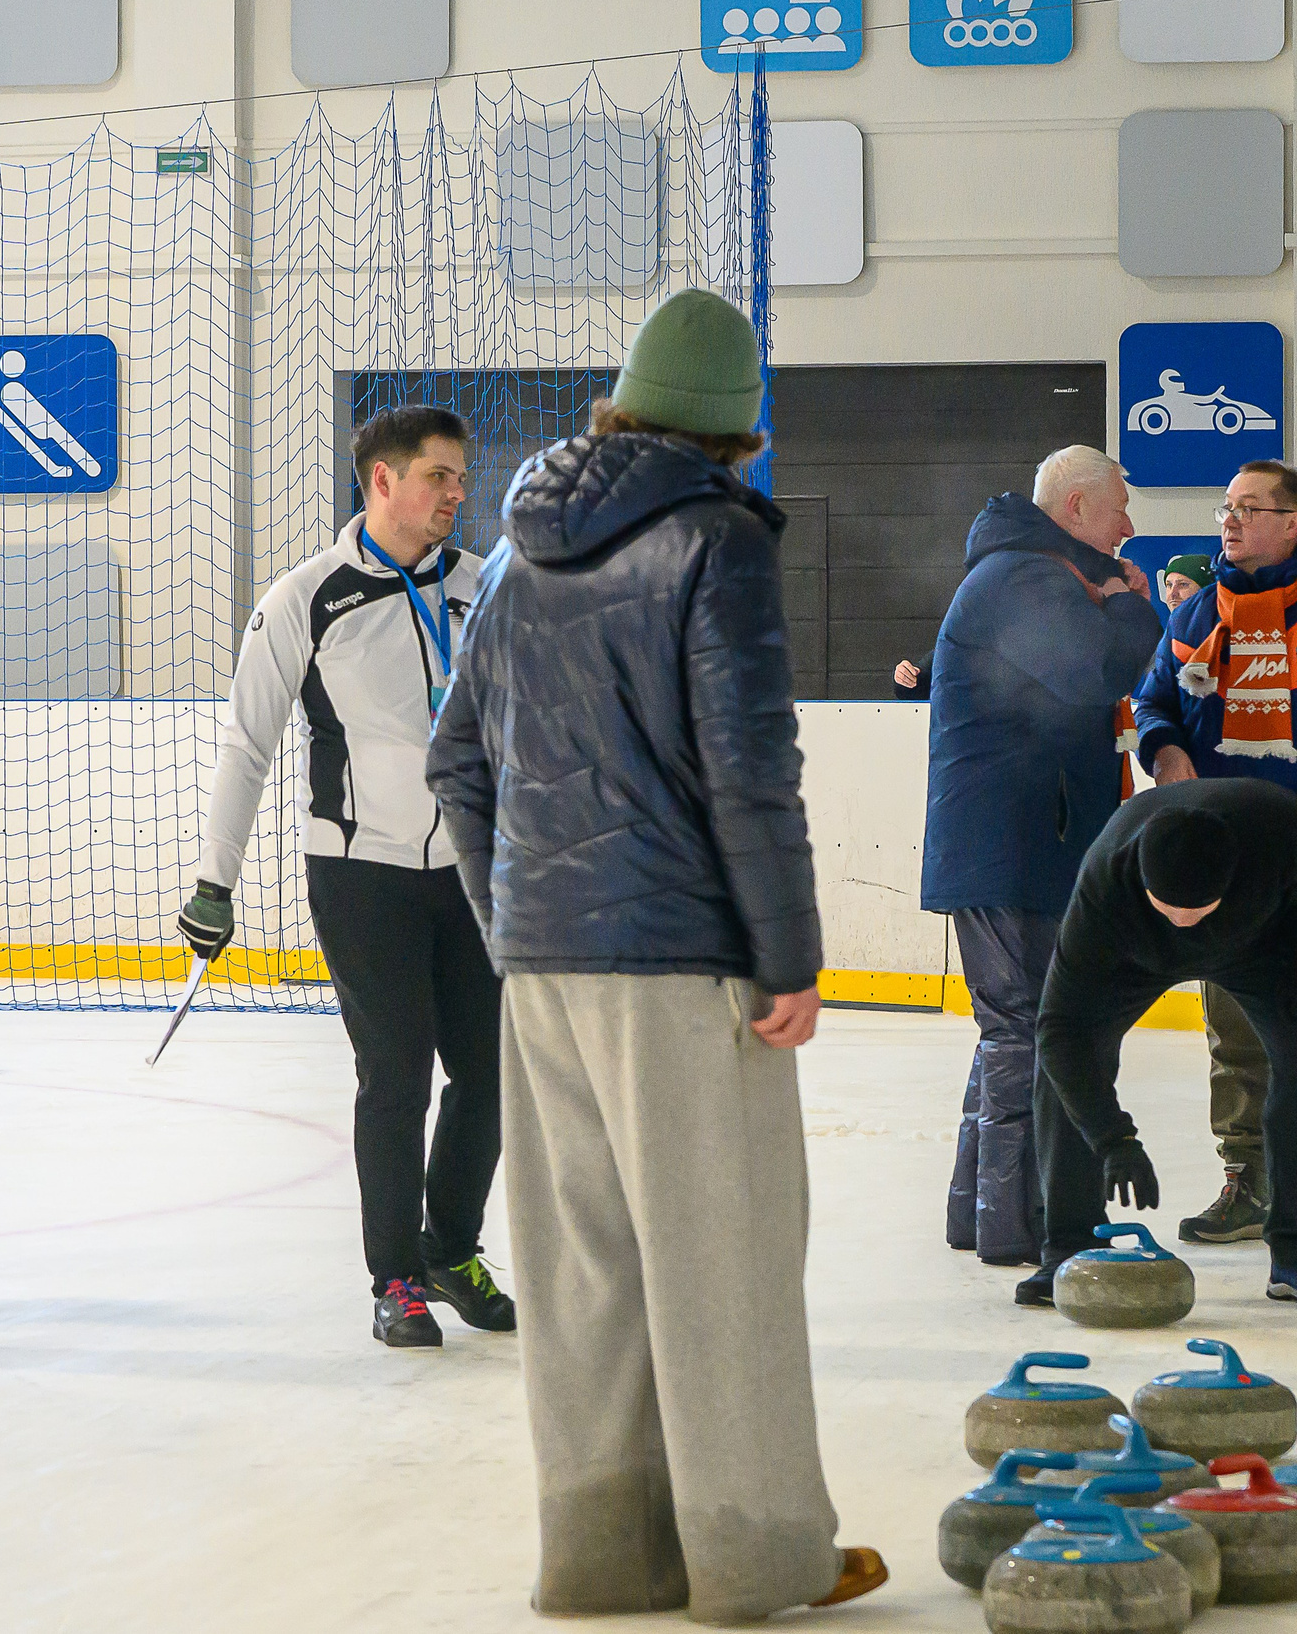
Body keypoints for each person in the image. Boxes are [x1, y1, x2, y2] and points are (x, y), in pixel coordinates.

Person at [429, 288, 885, 1622]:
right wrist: (790, 953)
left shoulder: (518, 550)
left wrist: (515, 910)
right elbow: (751, 764)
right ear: (739, 425)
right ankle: (756, 1559)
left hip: (544, 961)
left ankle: (599, 1557)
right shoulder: (714, 540)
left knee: (584, 1273)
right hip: (681, 958)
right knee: (723, 1258)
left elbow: (458, 759)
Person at [176, 404, 515, 1351]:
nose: (458, 493)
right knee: (396, 1073)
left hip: (471, 875)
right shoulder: (306, 597)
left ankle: (450, 1246)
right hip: (359, 874)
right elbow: (249, 742)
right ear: (382, 482)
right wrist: (215, 879)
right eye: (440, 476)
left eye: (459, 476)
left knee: (490, 1074)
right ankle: (395, 1278)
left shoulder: (483, 589)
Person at [1133, 461, 1297, 1255]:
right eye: (1226, 508)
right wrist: (1164, 746)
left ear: (1294, 522)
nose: (1229, 522)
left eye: (1249, 509)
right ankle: (1248, 1176)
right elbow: (1153, 699)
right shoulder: (1201, 612)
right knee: (1234, 1027)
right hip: (1223, 866)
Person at [921, 446, 1163, 1271]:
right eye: (1120, 506)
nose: (1130, 526)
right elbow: (1095, 668)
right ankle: (1015, 1223)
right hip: (1011, 852)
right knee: (1028, 1030)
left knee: (1011, 1029)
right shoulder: (1024, 577)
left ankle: (979, 1211)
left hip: (1018, 846)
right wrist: (1135, 608)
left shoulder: (1028, 572)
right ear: (1075, 510)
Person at [1024, 778, 1297, 1310]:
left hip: (1262, 948)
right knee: (1065, 1066)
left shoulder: (1283, 831)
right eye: (1169, 910)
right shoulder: (1106, 878)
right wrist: (1114, 1140)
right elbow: (1058, 1030)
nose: (1184, 925)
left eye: (1198, 911)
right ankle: (1068, 1248)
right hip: (1133, 957)